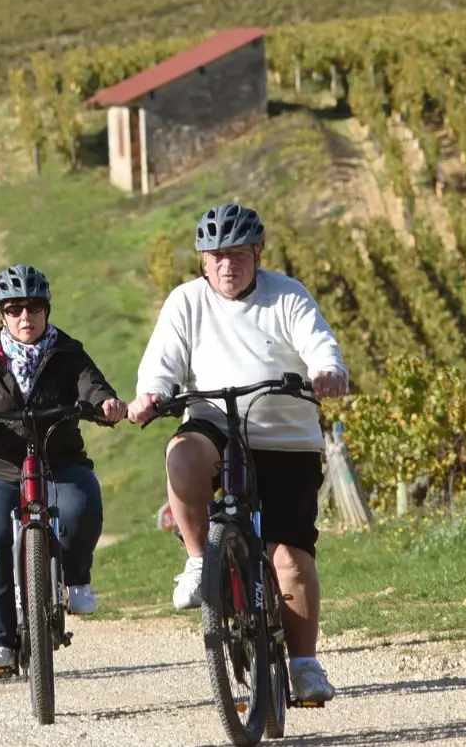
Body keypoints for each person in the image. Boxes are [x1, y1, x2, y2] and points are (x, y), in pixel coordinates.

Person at [127, 203, 349, 705]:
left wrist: (326, 371)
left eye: (240, 255)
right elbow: (161, 363)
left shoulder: (287, 295)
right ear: (204, 261)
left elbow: (319, 343)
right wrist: (151, 395)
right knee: (182, 453)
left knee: (289, 559)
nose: (229, 266)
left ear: (258, 253)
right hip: (215, 423)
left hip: (284, 436)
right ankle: (198, 560)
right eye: (218, 256)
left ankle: (305, 665)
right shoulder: (185, 302)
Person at [0, 265, 127, 677]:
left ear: (46, 309)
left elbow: (94, 388)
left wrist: (107, 404)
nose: (25, 317)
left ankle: (76, 579)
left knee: (82, 506)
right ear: (1, 313)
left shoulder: (68, 352)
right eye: (15, 308)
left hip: (61, 463)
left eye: (34, 307)